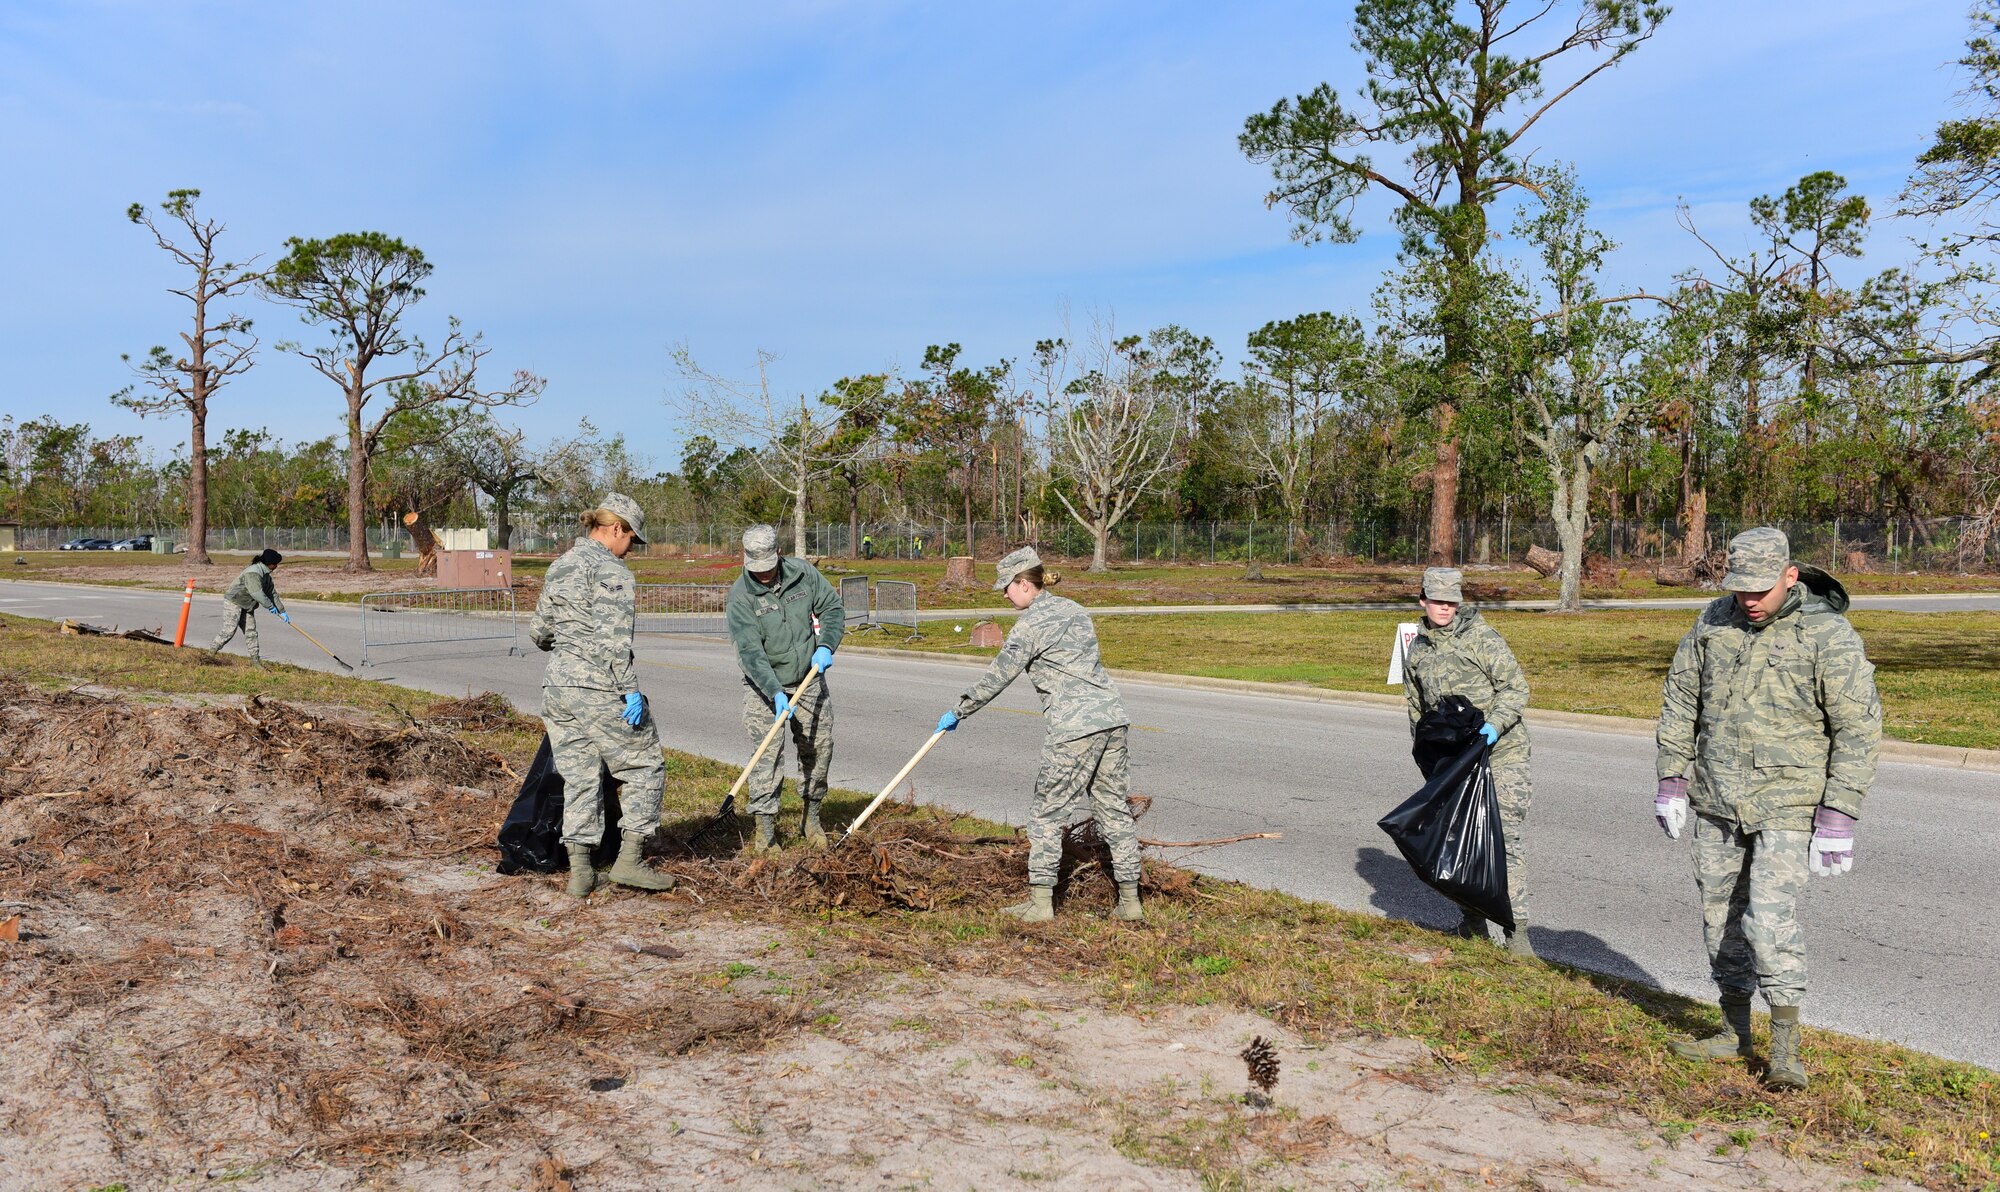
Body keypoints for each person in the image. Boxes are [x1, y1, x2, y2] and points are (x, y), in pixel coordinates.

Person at [1653, 527, 1879, 1091]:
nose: (1749, 599)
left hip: (1789, 804)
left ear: (1789, 575)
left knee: (1769, 923)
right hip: (1715, 799)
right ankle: (1734, 1030)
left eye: (1760, 588)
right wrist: (1672, 779)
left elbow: (1858, 726)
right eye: (1739, 588)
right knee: (1719, 920)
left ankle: (1785, 1051)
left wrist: (1838, 814)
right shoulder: (1712, 622)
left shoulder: (1827, 634)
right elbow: (1681, 700)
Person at [936, 547, 1143, 923]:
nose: (1003, 595)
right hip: (1113, 718)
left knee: (1047, 814)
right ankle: (1130, 901)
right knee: (1113, 810)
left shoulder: (1029, 625)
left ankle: (1041, 903)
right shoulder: (1075, 610)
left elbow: (998, 676)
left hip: (1074, 727)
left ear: (1023, 584)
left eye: (1007, 588)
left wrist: (959, 710)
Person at [528, 493, 674, 897]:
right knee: (646, 766)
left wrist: (571, 646)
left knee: (579, 776)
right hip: (599, 687)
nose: (631, 550)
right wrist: (630, 693)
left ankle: (581, 873)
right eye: (632, 539)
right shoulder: (612, 572)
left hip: (557, 687)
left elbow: (539, 633)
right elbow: (614, 643)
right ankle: (629, 861)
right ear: (615, 529)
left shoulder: (559, 566)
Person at [1401, 566, 1536, 957]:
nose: (1444, 608)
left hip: (1502, 754)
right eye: (1436, 600)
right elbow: (1418, 709)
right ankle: (1473, 922)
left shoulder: (1481, 638)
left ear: (1459, 603)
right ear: (1423, 601)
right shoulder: (1418, 649)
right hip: (1455, 763)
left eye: (1451, 602)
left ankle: (1517, 934)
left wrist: (1492, 728)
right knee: (1458, 840)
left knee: (1504, 840)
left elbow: (1516, 688)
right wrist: (1429, 762)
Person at [725, 524, 844, 851]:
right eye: (756, 569)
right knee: (767, 756)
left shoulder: (803, 574)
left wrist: (827, 645)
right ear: (745, 559)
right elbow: (749, 652)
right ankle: (765, 831)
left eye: (769, 568)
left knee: (819, 749)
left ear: (779, 553)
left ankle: (812, 817)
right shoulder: (740, 596)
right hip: (765, 688)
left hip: (809, 679)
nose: (763, 576)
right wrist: (774, 691)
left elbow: (832, 608)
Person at [208, 548, 288, 663]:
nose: (277, 566)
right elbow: (256, 593)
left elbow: (272, 593)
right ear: (270, 564)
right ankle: (210, 653)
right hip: (234, 601)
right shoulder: (253, 572)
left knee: (251, 632)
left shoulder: (266, 575)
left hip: (247, 605)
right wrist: (270, 606)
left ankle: (255, 661)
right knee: (229, 630)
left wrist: (281, 610)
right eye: (276, 564)